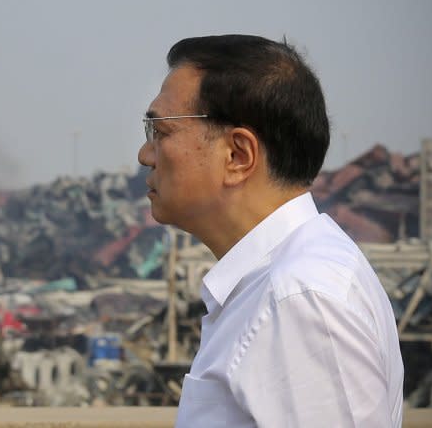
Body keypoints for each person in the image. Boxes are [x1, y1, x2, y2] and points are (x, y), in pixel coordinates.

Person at [138, 35, 403, 427]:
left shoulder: (299, 298)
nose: (145, 155)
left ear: (237, 155)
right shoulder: (280, 284)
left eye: (160, 132)